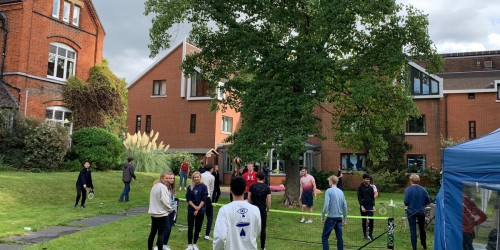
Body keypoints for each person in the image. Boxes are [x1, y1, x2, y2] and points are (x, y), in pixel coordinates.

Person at [213, 176, 261, 250]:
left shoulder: (225, 210)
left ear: (230, 190)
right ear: (245, 190)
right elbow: (257, 230)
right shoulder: (255, 209)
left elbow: (220, 236)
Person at [403, 174, 431, 250]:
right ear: (418, 181)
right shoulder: (423, 189)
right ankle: (424, 244)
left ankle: (414, 247)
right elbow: (428, 201)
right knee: (422, 229)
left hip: (411, 212)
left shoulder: (408, 189)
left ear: (410, 180)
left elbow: (405, 202)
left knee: (413, 230)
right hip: (421, 211)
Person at [147, 171, 174, 250]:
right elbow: (165, 202)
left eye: (169, 178)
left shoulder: (155, 186)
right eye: (166, 178)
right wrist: (170, 209)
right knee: (161, 234)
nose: (168, 180)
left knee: (153, 233)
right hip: (162, 214)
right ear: (162, 177)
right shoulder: (163, 187)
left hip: (154, 214)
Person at [321, 175, 348, 250]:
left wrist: (322, 216)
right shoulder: (341, 192)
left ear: (331, 181)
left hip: (331, 218)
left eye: (329, 181)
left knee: (325, 237)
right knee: (339, 238)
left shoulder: (328, 191)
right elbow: (345, 206)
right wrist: (345, 219)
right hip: (339, 218)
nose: (328, 182)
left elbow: (326, 205)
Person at [248, 171, 271, 250]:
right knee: (263, 228)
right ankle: (262, 247)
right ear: (264, 178)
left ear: (256, 177)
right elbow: (269, 201)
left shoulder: (252, 186)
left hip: (253, 209)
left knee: (252, 228)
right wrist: (268, 210)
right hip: (262, 209)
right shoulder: (267, 187)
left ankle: (251, 246)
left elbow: (249, 199)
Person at [185, 171, 208, 250]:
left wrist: (198, 208)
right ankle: (189, 244)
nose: (196, 178)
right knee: (190, 227)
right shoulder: (190, 187)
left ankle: (194, 243)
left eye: (197, 177)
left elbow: (204, 198)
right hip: (191, 209)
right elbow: (188, 198)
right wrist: (195, 207)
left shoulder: (204, 187)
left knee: (198, 227)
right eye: (194, 177)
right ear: (193, 178)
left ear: (200, 177)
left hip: (200, 210)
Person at [358, 173, 375, 241]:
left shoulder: (371, 187)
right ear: (363, 179)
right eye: (366, 179)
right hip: (363, 206)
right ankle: (365, 234)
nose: (368, 180)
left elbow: (372, 198)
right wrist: (362, 206)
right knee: (364, 221)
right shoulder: (360, 187)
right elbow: (359, 197)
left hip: (370, 206)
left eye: (369, 179)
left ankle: (370, 234)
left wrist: (373, 206)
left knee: (371, 220)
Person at [162, 172, 177, 250]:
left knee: (170, 228)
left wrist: (175, 209)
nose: (171, 179)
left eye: (173, 178)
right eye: (170, 178)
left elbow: (172, 199)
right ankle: (158, 245)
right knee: (166, 228)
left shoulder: (171, 187)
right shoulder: (163, 187)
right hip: (165, 211)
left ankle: (164, 244)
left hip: (172, 210)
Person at [201, 164, 215, 241]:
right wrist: (211, 198)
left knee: (200, 215)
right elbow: (212, 188)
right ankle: (207, 235)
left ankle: (198, 232)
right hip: (207, 197)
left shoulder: (201, 175)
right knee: (210, 217)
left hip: (200, 197)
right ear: (211, 169)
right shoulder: (212, 177)